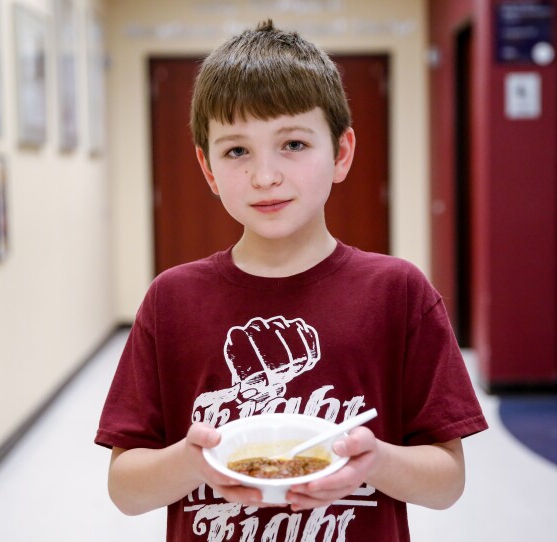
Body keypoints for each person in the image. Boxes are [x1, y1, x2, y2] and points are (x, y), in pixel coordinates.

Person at [95, 19, 488, 542]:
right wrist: (191, 462)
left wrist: (374, 460)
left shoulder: (398, 293)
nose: (265, 176)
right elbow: (125, 489)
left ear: (341, 153)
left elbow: (447, 483)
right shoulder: (172, 300)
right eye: (237, 151)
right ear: (208, 169)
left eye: (294, 144)